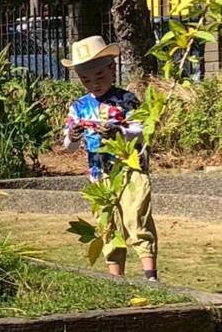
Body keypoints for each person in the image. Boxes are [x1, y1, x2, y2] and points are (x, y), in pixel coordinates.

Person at [62, 35, 158, 281]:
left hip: (129, 168)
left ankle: (150, 275)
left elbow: (142, 129)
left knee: (136, 216)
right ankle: (116, 277)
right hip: (99, 173)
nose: (94, 83)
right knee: (107, 224)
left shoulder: (127, 100)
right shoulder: (79, 106)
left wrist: (119, 131)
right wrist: (73, 136)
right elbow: (69, 147)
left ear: (112, 69)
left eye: (100, 77)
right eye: (86, 80)